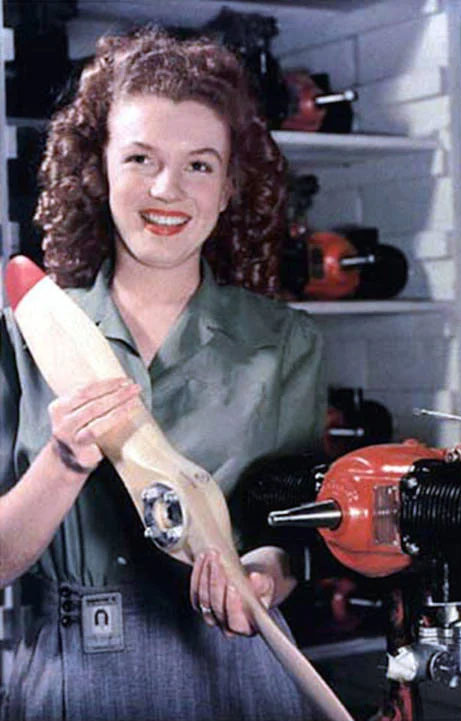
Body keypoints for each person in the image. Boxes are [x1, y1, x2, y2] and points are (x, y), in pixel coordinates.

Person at [0, 25, 326, 721]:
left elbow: (292, 528)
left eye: (200, 165)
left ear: (232, 183)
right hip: (65, 682)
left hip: (233, 673)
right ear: (99, 168)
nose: (167, 189)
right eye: (141, 158)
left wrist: (263, 576)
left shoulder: (287, 343)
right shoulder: (22, 340)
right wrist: (62, 461)